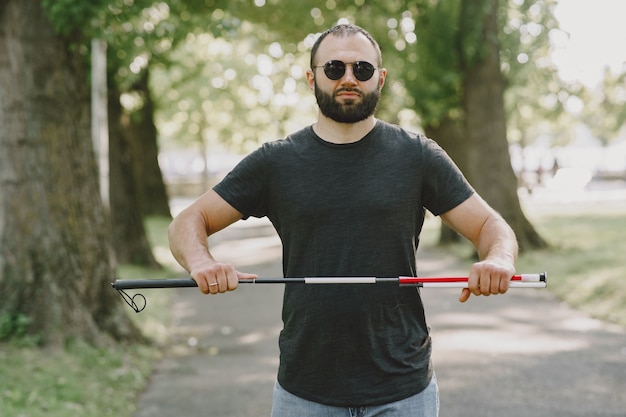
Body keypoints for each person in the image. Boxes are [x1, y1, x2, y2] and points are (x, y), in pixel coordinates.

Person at [168, 23, 518, 417]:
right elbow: (187, 220)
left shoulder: (417, 156)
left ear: (380, 79)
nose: (348, 78)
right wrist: (201, 262)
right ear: (311, 77)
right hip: (305, 391)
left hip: (403, 389)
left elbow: (491, 227)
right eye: (334, 68)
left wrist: (498, 260)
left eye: (362, 70)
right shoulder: (275, 162)